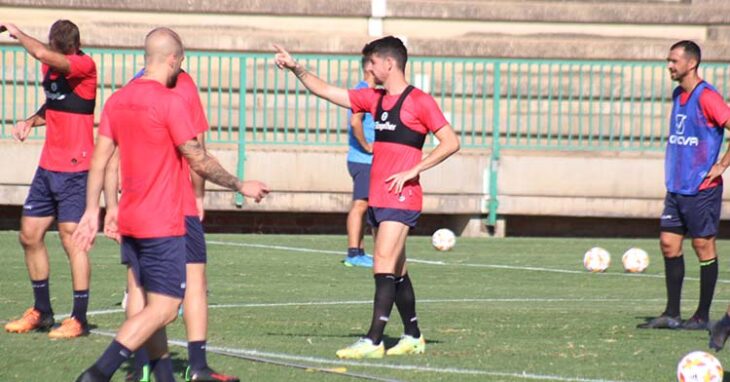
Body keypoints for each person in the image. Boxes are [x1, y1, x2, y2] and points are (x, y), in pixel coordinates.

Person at [73, 28, 268, 382]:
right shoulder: (170, 101)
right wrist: (240, 184)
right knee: (164, 308)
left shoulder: (117, 100)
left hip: (130, 217)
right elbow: (197, 158)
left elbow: (100, 160)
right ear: (173, 59)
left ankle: (162, 376)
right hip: (162, 221)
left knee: (144, 299)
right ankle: (98, 373)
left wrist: (94, 210)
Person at [274, 36, 460, 359]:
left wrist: (414, 169)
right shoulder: (373, 99)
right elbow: (328, 91)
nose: (369, 69)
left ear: (389, 64)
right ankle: (413, 336)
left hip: (401, 197)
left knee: (382, 263)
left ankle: (374, 340)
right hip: (378, 197)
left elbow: (450, 142)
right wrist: (296, 69)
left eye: (372, 62)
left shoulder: (419, 101)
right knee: (397, 270)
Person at [105, 68, 239, 382]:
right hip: (174, 203)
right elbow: (197, 151)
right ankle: (198, 367)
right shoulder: (182, 86)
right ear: (174, 59)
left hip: (136, 205)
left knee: (137, 284)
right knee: (194, 281)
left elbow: (110, 157)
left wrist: (111, 206)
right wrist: (199, 197)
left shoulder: (129, 92)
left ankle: (142, 369)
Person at [0, 20, 96, 339]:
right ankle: (41, 312)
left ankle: (78, 319)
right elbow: (56, 105)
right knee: (29, 234)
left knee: (72, 238)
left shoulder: (84, 64)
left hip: (76, 169)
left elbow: (41, 53)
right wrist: (30, 121)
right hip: (48, 167)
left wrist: (16, 32)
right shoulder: (51, 71)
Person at [638, 40, 730, 332]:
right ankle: (672, 313)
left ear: (691, 64)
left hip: (701, 189)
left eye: (674, 60)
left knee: (703, 245)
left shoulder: (707, 97)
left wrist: (723, 164)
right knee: (668, 245)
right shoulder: (679, 94)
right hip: (676, 186)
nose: (669, 65)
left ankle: (702, 316)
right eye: (668, 60)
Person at [343, 56, 376, 268]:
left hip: (367, 160)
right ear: (371, 67)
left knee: (366, 205)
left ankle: (360, 251)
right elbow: (356, 121)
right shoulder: (363, 91)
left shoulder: (369, 91)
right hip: (363, 159)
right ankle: (353, 253)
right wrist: (366, 146)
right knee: (361, 204)